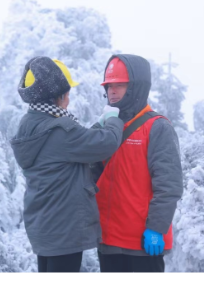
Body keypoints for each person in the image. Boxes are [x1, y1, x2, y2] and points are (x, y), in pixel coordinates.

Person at [11, 56, 124, 273]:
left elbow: (71, 147)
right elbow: (106, 143)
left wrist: (96, 127)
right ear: (58, 96)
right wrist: (112, 120)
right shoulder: (60, 130)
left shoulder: (30, 124)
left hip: (44, 227)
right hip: (64, 230)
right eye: (68, 93)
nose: (69, 100)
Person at [95, 55, 184, 274]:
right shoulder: (106, 127)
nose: (112, 91)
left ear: (136, 87)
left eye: (120, 85)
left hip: (143, 244)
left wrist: (156, 228)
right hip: (108, 242)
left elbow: (169, 185)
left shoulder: (157, 127)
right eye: (109, 86)